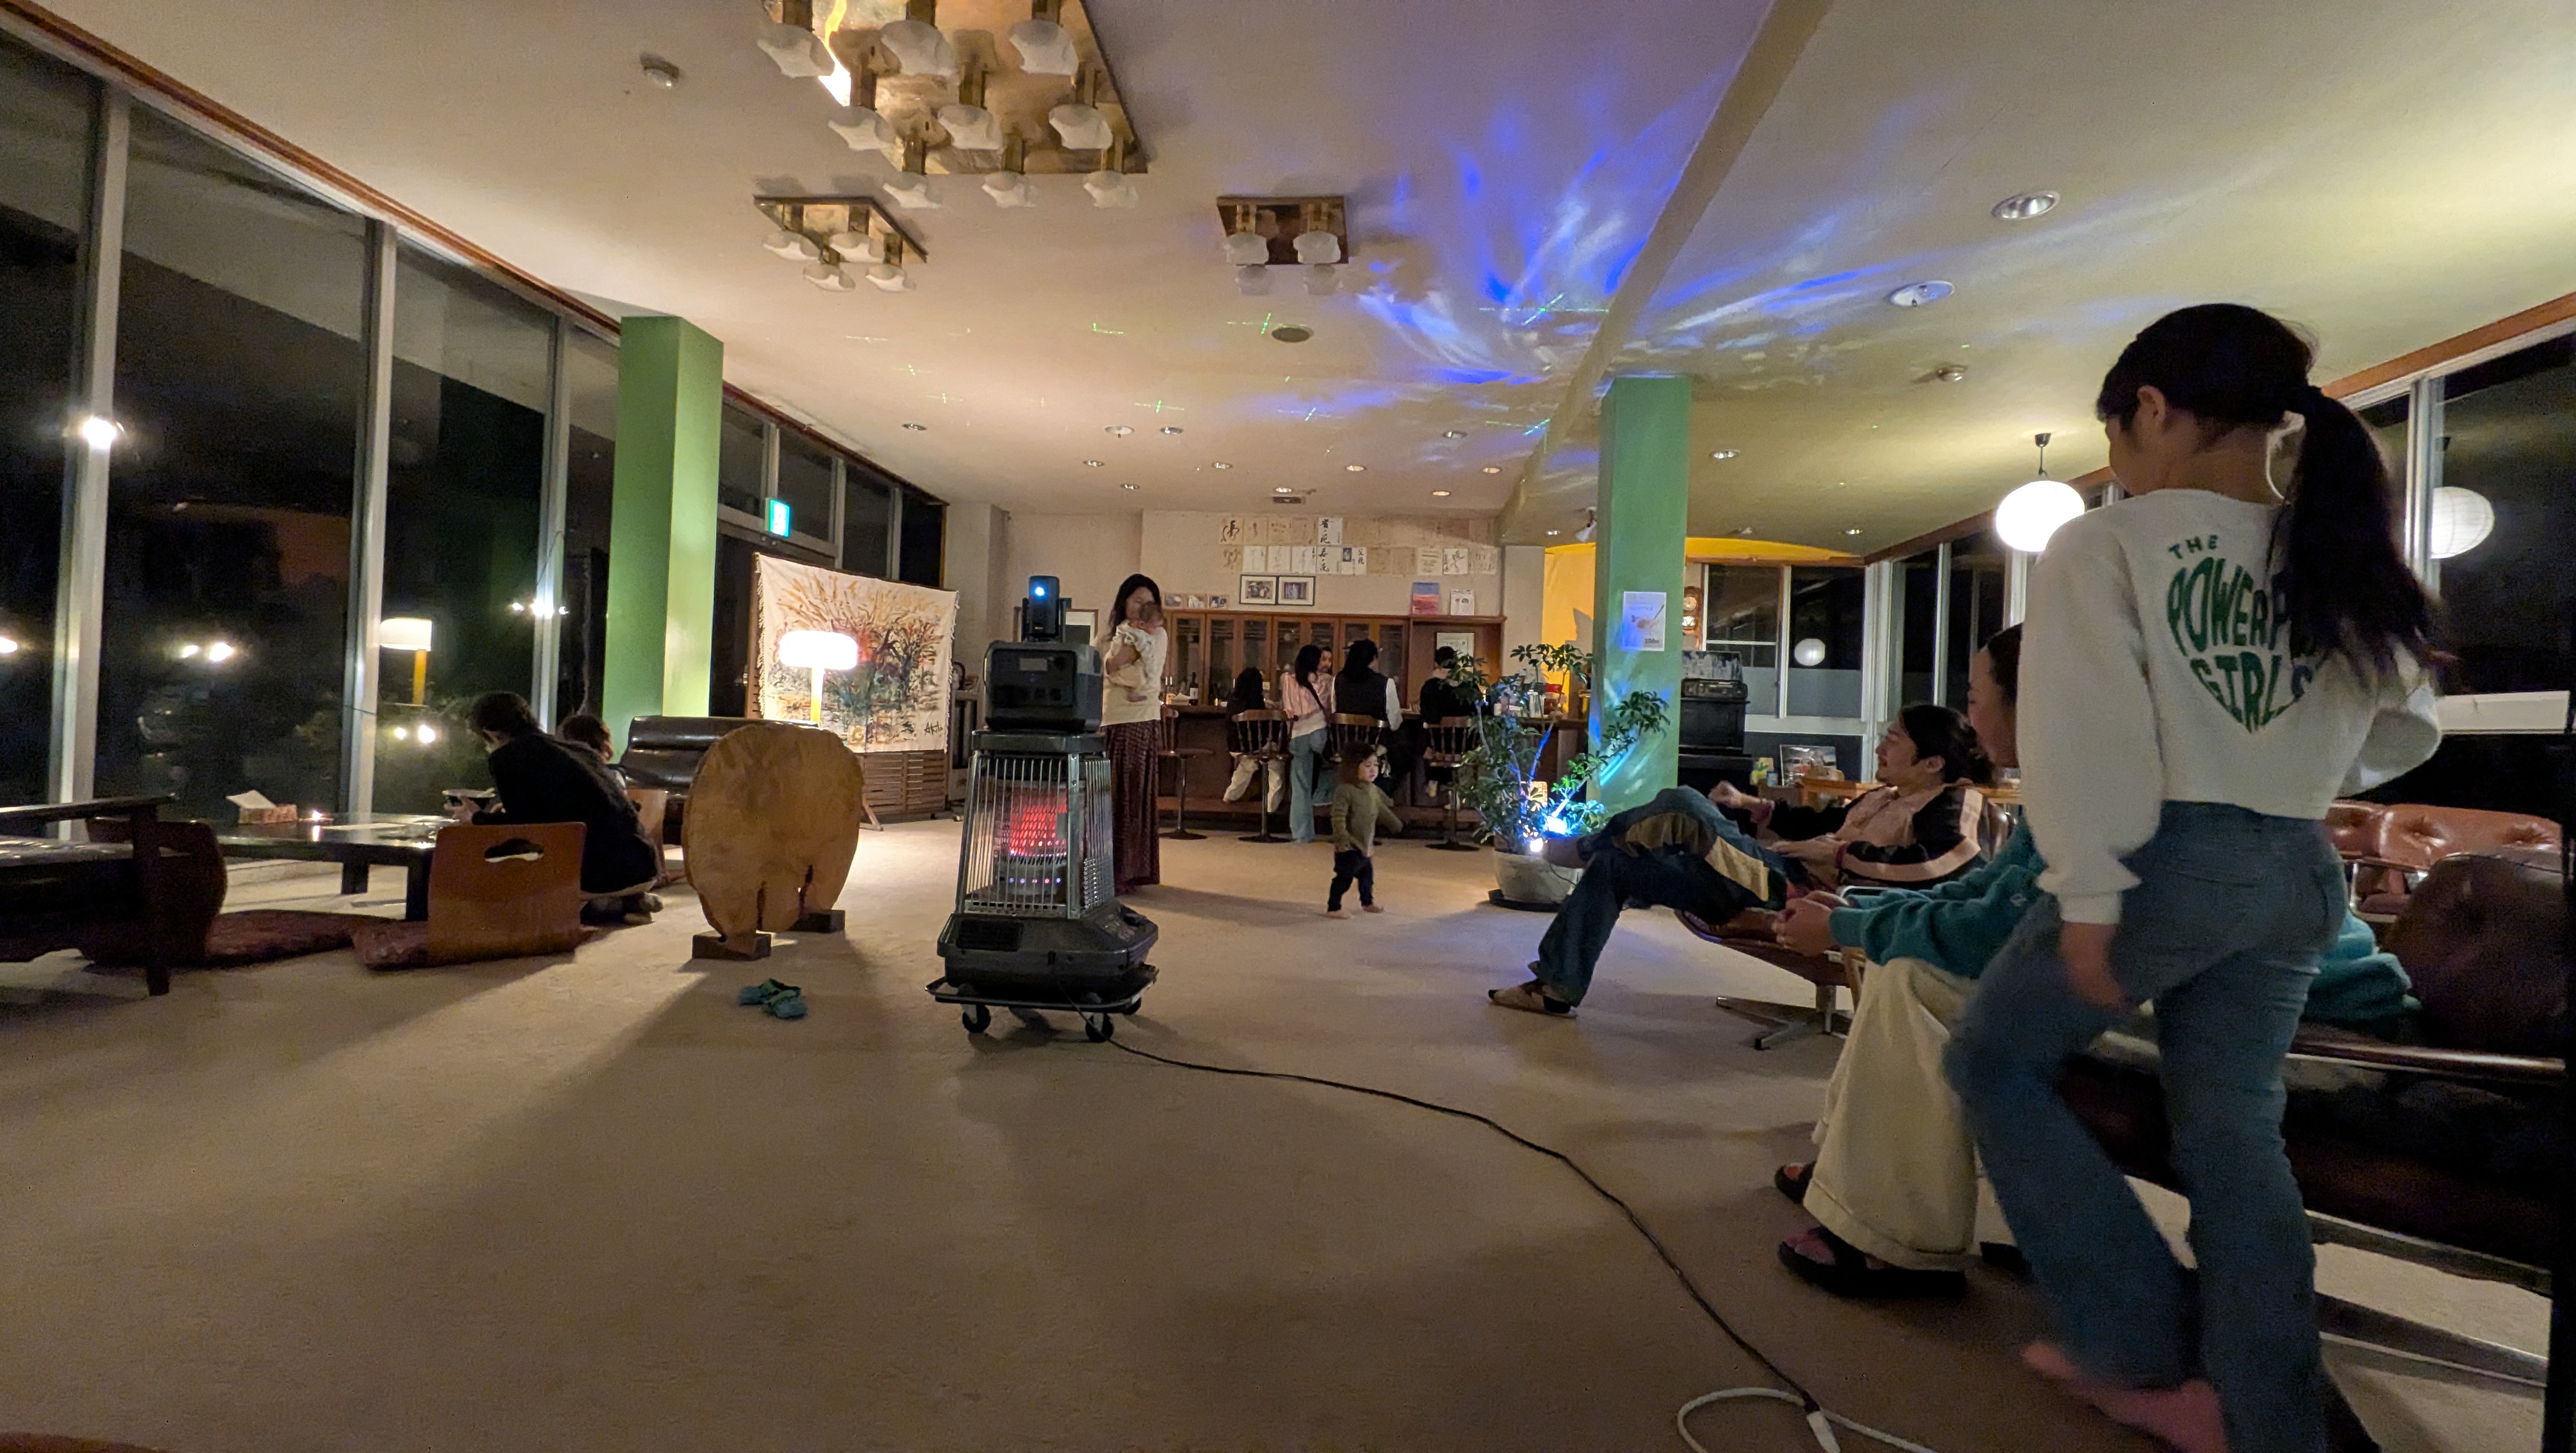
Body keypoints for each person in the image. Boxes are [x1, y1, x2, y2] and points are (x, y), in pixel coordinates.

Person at [1945, 304, 2440, 1453]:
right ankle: (2265, 1415)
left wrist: (2088, 897)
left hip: (2170, 863)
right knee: (2234, 1135)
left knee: (1993, 1062)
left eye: (2115, 438)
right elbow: (2407, 724)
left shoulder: (2107, 544)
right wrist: (2289, 767)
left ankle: (2132, 1339)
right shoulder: (2338, 549)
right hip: (2299, 868)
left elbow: (2087, 738)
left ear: (2154, 410)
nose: (2118, 466)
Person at [1768, 627, 2413, 1300]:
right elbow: (1991, 895)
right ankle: (1852, 1174)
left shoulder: (2117, 784)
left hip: (2313, 1032)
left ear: (2036, 701)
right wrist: (1856, 908)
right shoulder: (2084, 771)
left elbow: (1996, 937)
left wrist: (1844, 926)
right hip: (2192, 998)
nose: (1970, 719)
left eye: (1976, 698)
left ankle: (1890, 1240)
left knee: (1923, 979)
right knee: (1913, 958)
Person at [1487, 786, 1792, 1017]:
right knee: (1612, 863)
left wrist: (1822, 851)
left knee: (1683, 804)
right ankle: (1555, 988)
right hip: (1781, 860)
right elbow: (1813, 821)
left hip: (1790, 883)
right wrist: (1757, 804)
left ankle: (1586, 846)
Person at [1710, 705, 1993, 890]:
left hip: (1812, 891)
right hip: (1790, 870)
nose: (1879, 750)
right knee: (1691, 844)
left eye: (1892, 741)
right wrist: (1751, 803)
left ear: (1932, 764)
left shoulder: (1952, 801)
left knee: (1692, 813)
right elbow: (1824, 823)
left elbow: (1939, 861)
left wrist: (1840, 854)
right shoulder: (1885, 796)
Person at [461, 692, 661, 924]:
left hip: (601, 876)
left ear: (490, 733)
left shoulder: (509, 756)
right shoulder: (578, 750)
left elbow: (523, 828)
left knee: (500, 875)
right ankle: (625, 902)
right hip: (644, 865)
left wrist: (476, 818)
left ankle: (608, 906)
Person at [1098, 573, 1169, 895]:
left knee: (1133, 797)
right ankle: (1104, 870)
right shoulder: (1108, 635)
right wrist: (1114, 666)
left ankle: (1130, 872)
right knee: (1107, 797)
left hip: (1139, 720)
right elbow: (1100, 671)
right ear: (1124, 602)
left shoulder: (1157, 635)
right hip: (1109, 720)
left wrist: (1115, 667)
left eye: (1148, 602)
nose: (1142, 607)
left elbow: (1140, 674)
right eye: (1137, 600)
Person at [1324, 751, 1403, 918]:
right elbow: (1338, 817)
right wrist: (1342, 837)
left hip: (1365, 845)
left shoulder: (1373, 790)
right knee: (1344, 878)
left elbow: (1381, 808)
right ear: (1353, 768)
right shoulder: (1345, 790)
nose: (1373, 769)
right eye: (1367, 766)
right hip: (1349, 845)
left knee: (1367, 877)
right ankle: (1333, 907)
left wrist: (1395, 824)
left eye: (1376, 765)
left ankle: (1367, 902)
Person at [1278, 644, 1336, 845]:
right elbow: (1331, 707)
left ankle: (1302, 834)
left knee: (1301, 785)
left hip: (1298, 734)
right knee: (1336, 765)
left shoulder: (1287, 679)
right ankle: (1322, 795)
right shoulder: (1327, 680)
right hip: (1319, 732)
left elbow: (1288, 709)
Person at [1219, 665, 1283, 811]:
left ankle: (1231, 795)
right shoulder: (1256, 702)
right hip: (1254, 746)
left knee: (1248, 763)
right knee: (1277, 763)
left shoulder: (1233, 701)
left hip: (1235, 746)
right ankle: (1271, 805)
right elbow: (1262, 728)